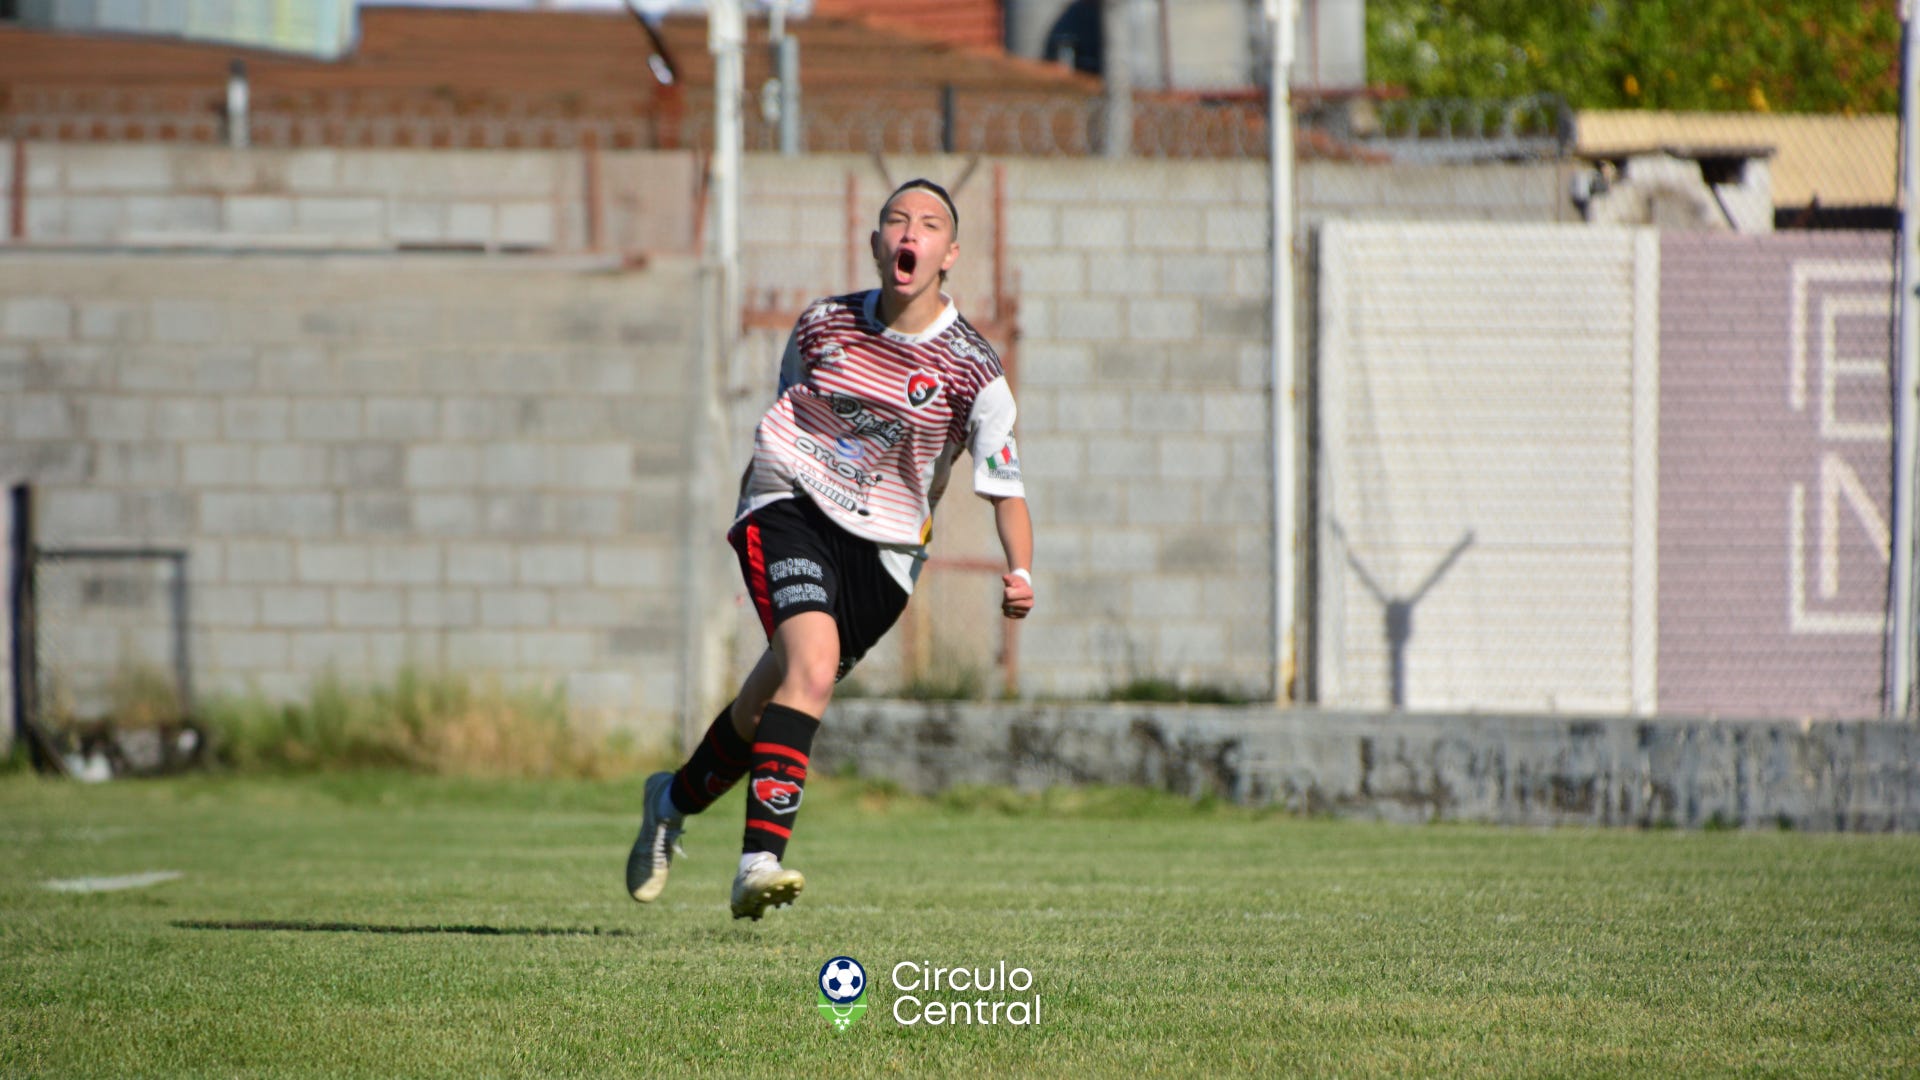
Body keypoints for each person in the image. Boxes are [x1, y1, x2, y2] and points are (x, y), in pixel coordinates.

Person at [628, 178, 1036, 920]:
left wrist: (1020, 569)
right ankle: (758, 862)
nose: (909, 233)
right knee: (811, 669)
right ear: (877, 243)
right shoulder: (824, 324)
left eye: (929, 224)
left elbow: (1005, 487)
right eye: (896, 220)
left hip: (886, 556)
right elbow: (790, 405)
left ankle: (670, 801)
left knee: (768, 703)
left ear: (949, 253)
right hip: (790, 504)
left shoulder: (974, 368)